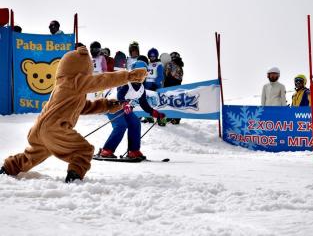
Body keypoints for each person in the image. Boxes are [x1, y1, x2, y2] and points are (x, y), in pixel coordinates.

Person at [0, 46, 147, 182]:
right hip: (55, 129)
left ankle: (8, 167)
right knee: (83, 151)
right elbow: (102, 80)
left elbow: (83, 107)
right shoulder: (75, 82)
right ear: (83, 69)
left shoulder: (61, 87)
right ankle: (74, 177)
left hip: (39, 130)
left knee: (30, 157)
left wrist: (107, 105)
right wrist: (129, 76)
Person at [99, 60, 166, 160]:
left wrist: (153, 112)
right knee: (121, 125)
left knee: (135, 123)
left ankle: (133, 151)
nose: (139, 76)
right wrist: (125, 103)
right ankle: (107, 150)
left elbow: (143, 103)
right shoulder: (126, 83)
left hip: (124, 107)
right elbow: (120, 95)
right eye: (137, 73)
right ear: (132, 73)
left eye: (142, 73)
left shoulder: (141, 88)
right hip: (112, 105)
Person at [164, 52, 184, 124]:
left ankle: (171, 117)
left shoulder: (171, 64)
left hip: (170, 84)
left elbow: (167, 73)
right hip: (177, 85)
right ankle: (175, 118)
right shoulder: (180, 66)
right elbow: (180, 77)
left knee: (169, 101)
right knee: (175, 101)